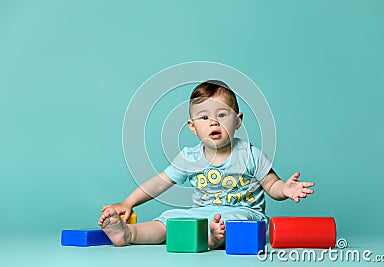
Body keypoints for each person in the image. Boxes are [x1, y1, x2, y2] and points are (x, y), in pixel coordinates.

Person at [98, 80, 314, 248]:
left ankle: (213, 238)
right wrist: (128, 202)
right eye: (204, 117)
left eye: (222, 114)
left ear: (238, 121)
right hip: (202, 214)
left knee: (234, 223)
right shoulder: (190, 157)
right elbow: (159, 183)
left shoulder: (249, 154)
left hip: (244, 214)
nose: (214, 122)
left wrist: (284, 188)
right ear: (192, 127)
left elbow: (271, 185)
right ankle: (129, 234)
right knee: (170, 219)